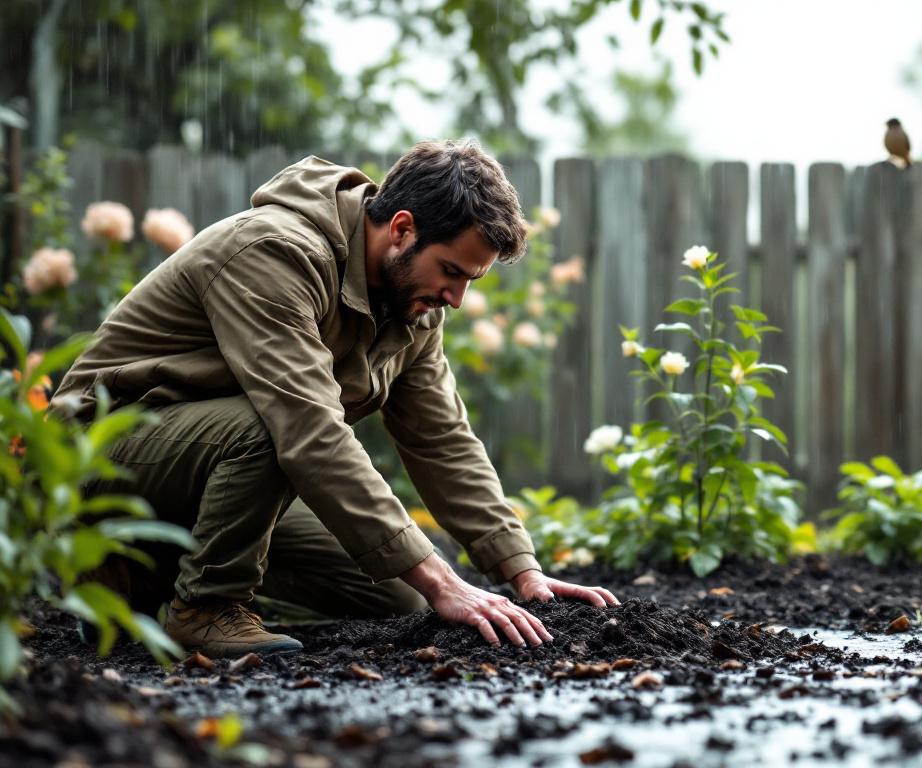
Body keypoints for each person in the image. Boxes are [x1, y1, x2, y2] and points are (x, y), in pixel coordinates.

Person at [54, 139, 618, 657]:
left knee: (405, 596)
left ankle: (137, 578)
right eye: (451, 271)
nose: (457, 298)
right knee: (270, 427)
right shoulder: (274, 252)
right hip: (100, 455)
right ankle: (204, 604)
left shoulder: (410, 305)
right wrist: (446, 579)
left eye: (471, 280)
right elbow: (307, 429)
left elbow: (441, 439)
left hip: (208, 460)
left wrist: (522, 572)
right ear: (401, 229)